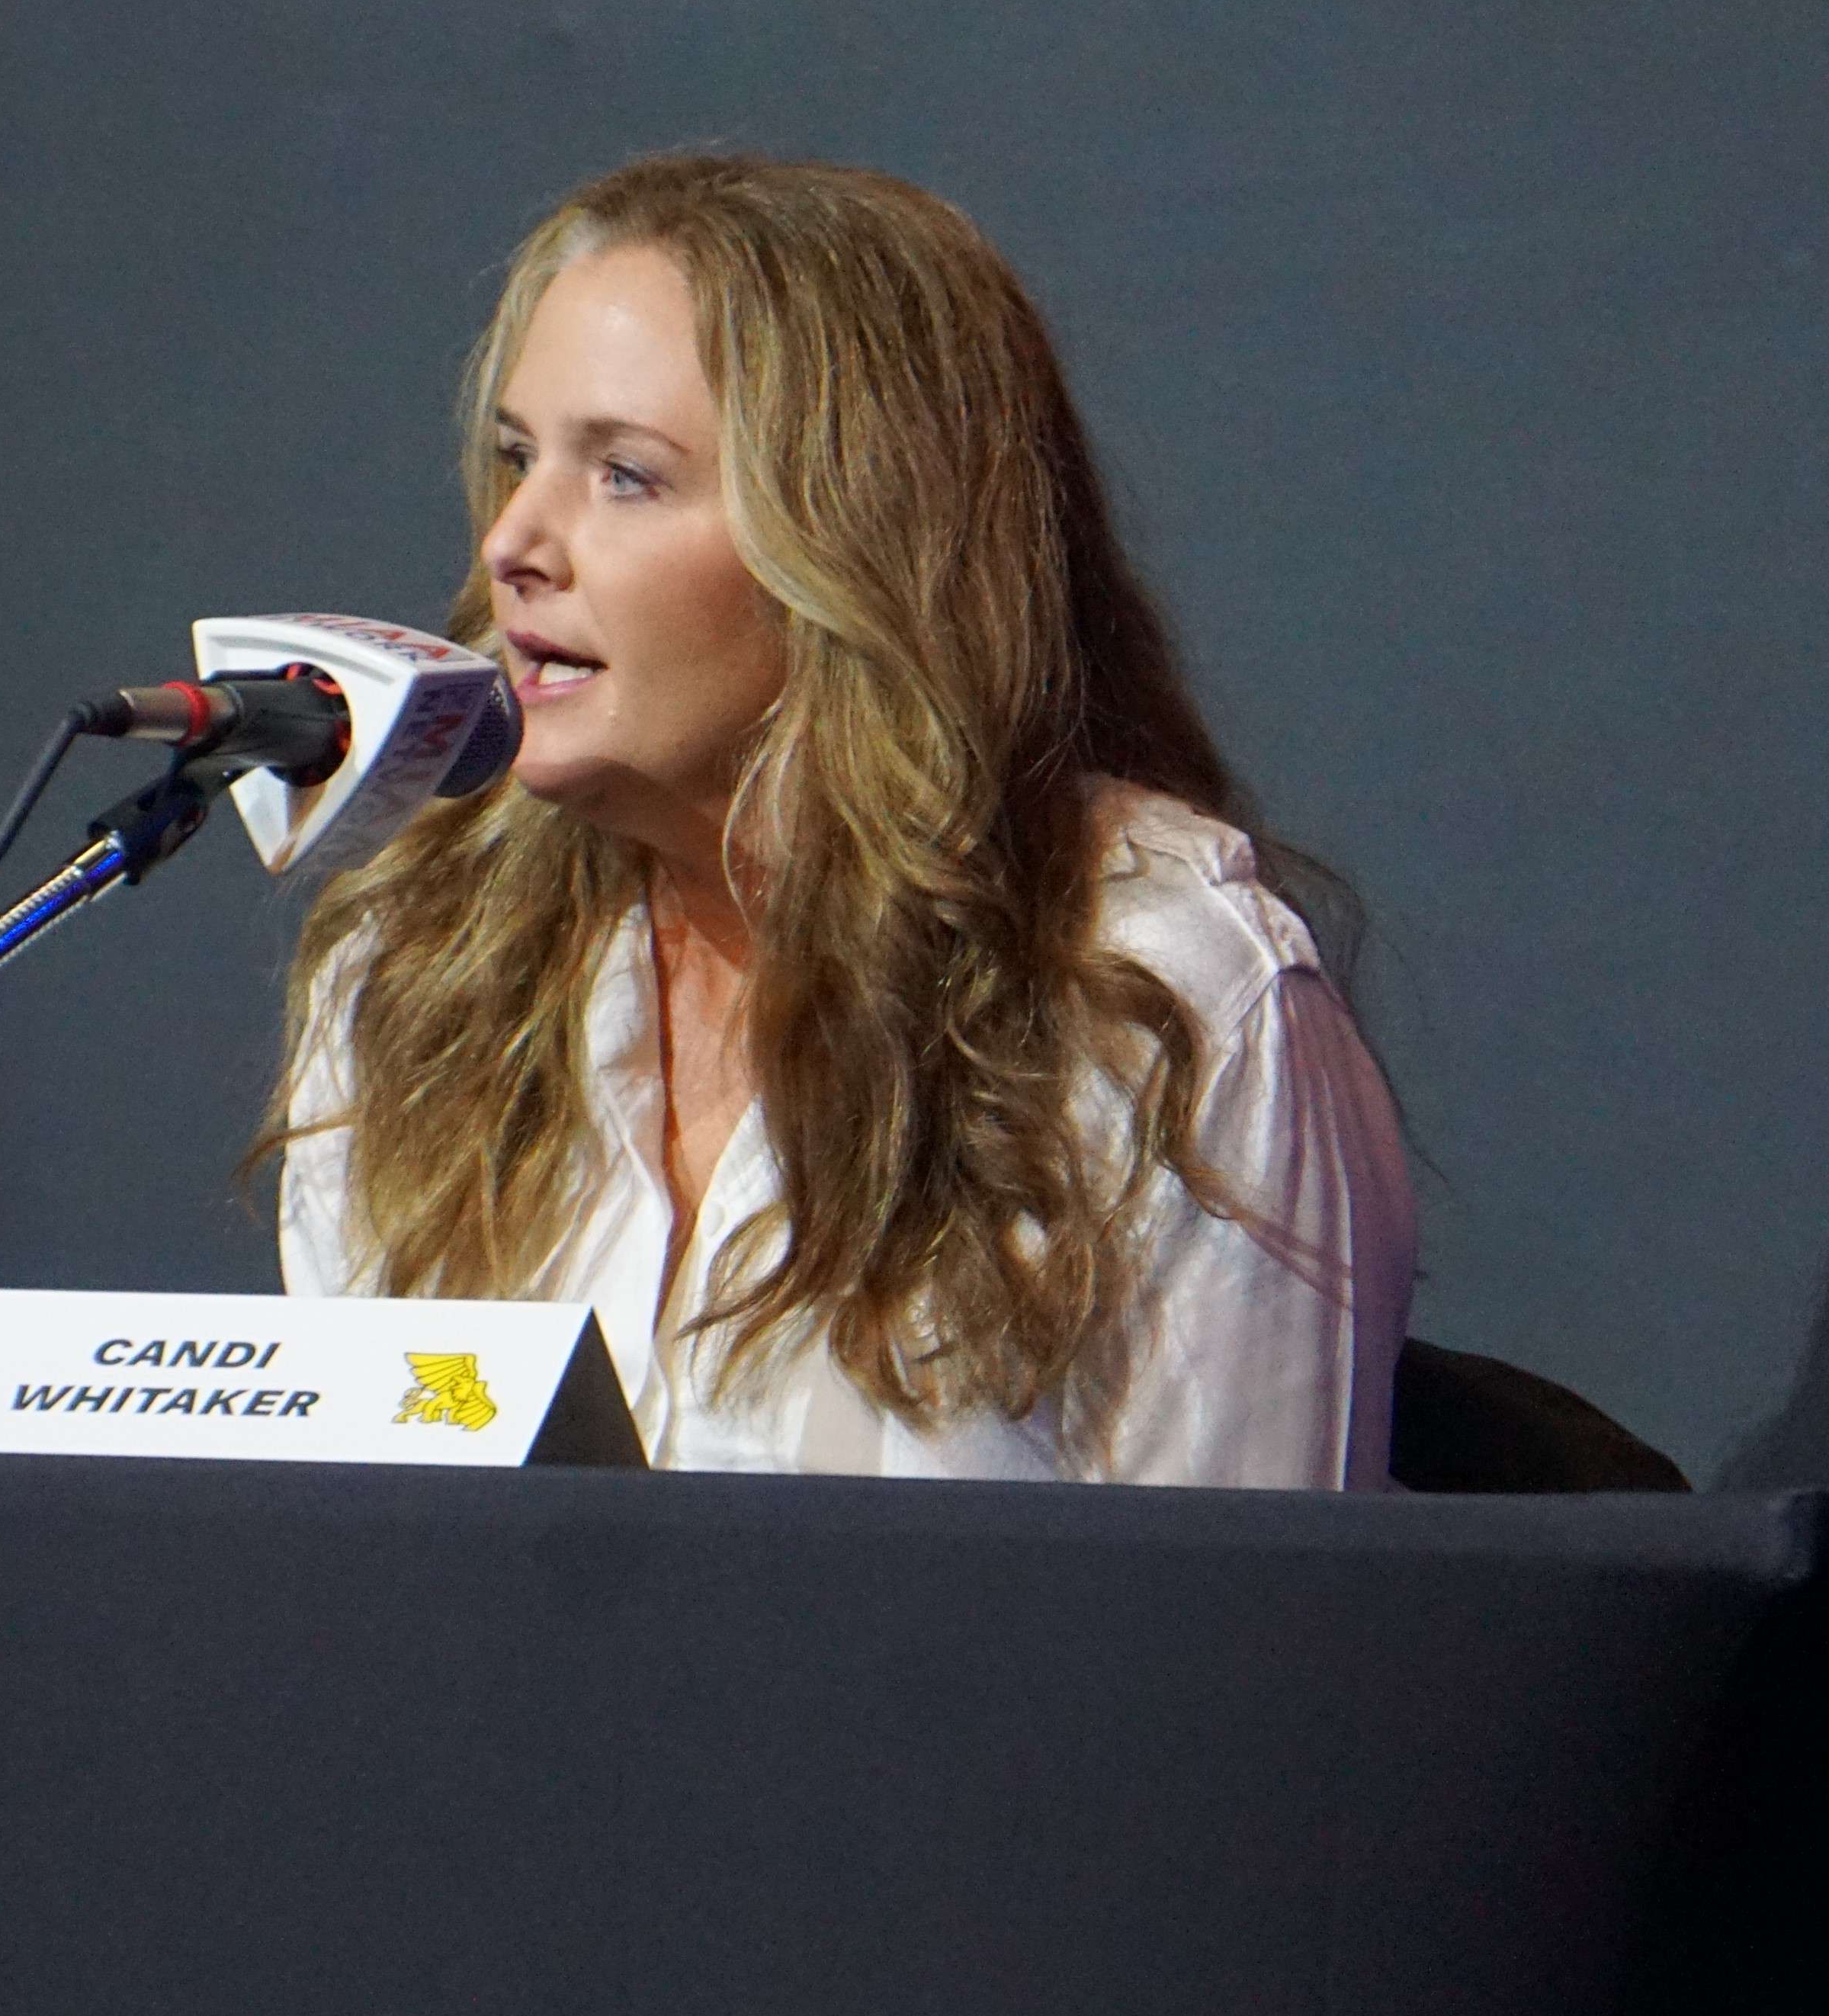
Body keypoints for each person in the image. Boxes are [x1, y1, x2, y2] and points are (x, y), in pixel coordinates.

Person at [264, 152, 1413, 1485]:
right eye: (517, 457)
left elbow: (1240, 1657)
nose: (514, 538)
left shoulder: (1161, 998)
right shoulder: (412, 973)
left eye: (625, 475)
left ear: (853, 546)